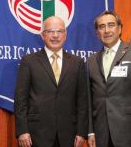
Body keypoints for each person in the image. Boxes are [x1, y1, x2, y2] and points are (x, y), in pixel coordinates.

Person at [87, 10, 131, 147]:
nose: (106, 30)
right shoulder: (91, 60)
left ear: (119, 28)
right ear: (97, 33)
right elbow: (90, 99)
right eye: (101, 27)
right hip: (102, 133)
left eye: (111, 25)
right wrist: (91, 132)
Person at [14, 16, 88, 147]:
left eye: (59, 31)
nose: (55, 35)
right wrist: (22, 131)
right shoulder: (29, 61)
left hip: (69, 135)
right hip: (36, 134)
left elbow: (82, 101)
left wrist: (81, 132)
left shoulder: (78, 63)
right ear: (43, 35)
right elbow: (21, 100)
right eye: (50, 31)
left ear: (65, 35)